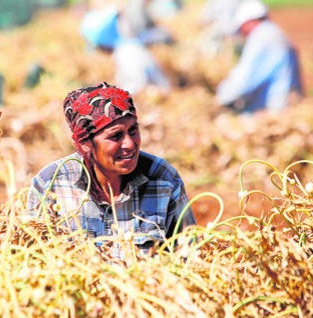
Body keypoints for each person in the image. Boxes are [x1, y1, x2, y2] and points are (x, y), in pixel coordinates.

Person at [26, 82, 196, 258]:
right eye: (115, 136)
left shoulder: (163, 179)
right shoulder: (51, 184)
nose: (130, 144)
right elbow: (31, 259)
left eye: (133, 130)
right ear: (85, 144)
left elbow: (190, 256)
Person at [215, 0, 303, 115]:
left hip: (273, 108)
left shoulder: (262, 38)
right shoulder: (274, 32)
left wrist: (223, 96)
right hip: (286, 103)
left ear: (249, 22)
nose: (242, 33)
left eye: (241, 27)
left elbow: (245, 78)